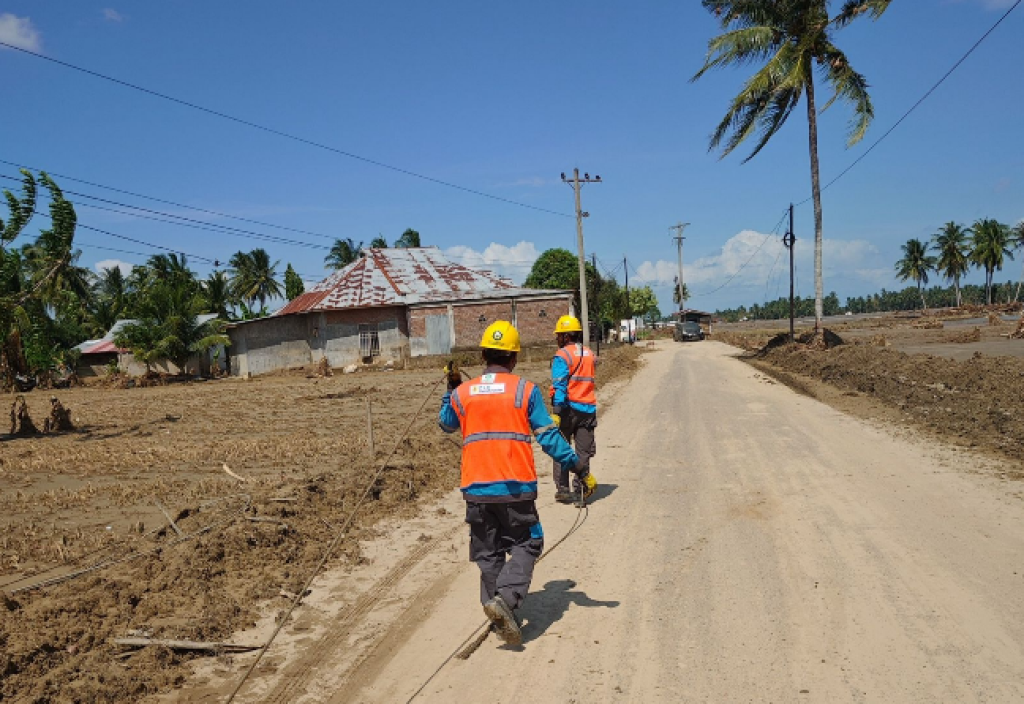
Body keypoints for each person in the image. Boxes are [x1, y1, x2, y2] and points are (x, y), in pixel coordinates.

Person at [439, 321, 579, 646]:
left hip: (475, 489)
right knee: (529, 543)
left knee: (488, 552)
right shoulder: (525, 390)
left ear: (484, 354)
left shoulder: (463, 393)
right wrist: (575, 464)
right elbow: (548, 437)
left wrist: (451, 383)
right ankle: (506, 598)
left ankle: (497, 609)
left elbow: (446, 423)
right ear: (514, 358)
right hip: (515, 488)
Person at [550, 315, 598, 504]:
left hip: (567, 410)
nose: (557, 339)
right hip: (587, 410)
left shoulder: (562, 355)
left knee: (561, 449)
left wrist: (556, 411)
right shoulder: (589, 353)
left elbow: (560, 385)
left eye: (559, 335)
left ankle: (563, 489)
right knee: (583, 452)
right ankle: (580, 493)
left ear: (566, 336)